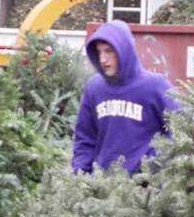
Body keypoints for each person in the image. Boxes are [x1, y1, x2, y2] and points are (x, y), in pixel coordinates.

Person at [72, 19, 178, 175]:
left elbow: (179, 131)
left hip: (146, 189)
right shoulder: (94, 88)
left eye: (109, 50)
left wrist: (156, 166)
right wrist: (80, 176)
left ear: (125, 49)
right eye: (99, 51)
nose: (102, 59)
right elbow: (85, 139)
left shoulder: (155, 86)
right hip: (103, 187)